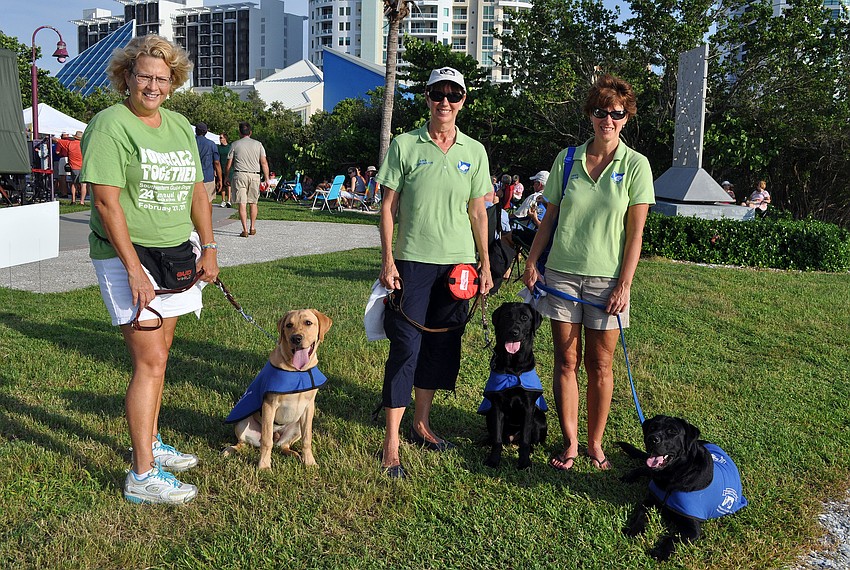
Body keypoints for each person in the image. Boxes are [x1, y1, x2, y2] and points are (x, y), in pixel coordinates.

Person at [80, 34, 220, 504]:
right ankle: (142, 475)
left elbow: (199, 192)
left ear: (174, 81)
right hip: (128, 256)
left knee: (161, 357)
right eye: (144, 76)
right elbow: (106, 201)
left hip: (177, 253)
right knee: (150, 361)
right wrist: (134, 269)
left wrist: (211, 247)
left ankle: (152, 442)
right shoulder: (110, 124)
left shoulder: (180, 125)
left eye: (163, 78)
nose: (153, 85)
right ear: (126, 77)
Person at [522, 74, 655, 472]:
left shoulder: (636, 165)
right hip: (561, 274)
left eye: (616, 113)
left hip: (607, 282)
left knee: (601, 364)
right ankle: (571, 442)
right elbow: (549, 219)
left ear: (626, 117)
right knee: (566, 360)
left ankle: (595, 443)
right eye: (601, 112)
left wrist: (625, 284)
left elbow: (636, 233)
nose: (608, 120)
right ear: (590, 115)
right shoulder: (568, 159)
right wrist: (532, 261)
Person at [375, 66, 493, 478]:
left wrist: (486, 262)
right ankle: (392, 442)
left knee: (441, 346)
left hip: (459, 266)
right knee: (406, 345)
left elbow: (478, 211)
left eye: (453, 94)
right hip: (411, 260)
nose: (445, 102)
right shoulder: (406, 145)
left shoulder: (474, 151)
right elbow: (387, 207)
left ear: (463, 100)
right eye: (437, 94)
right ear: (426, 98)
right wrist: (387, 259)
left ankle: (421, 424)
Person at [225, 122, 270, 237]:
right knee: (253, 202)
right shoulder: (258, 144)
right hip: (255, 175)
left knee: (242, 203)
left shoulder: (235, 144)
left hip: (240, 175)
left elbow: (229, 163)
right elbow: (264, 162)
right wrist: (267, 179)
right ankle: (252, 227)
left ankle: (244, 229)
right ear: (250, 132)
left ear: (240, 132)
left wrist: (226, 176)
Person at [54, 130, 86, 205]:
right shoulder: (84, 145)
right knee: (83, 184)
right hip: (83, 166)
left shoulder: (69, 143)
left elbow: (56, 140)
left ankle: (73, 200)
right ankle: (82, 201)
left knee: (73, 183)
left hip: (73, 166)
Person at [194, 122, 221, 207]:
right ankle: (208, 219)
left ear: (196, 130)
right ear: (206, 131)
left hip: (193, 177)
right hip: (207, 176)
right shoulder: (211, 144)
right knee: (208, 201)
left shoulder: (191, 142)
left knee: (194, 203)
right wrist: (220, 179)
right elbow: (216, 162)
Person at [217, 133, 232, 207]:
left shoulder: (230, 147)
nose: (220, 139)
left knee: (228, 184)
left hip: (229, 168)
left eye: (221, 138)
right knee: (222, 184)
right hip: (221, 167)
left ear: (225, 138)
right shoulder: (218, 147)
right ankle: (223, 200)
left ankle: (229, 200)